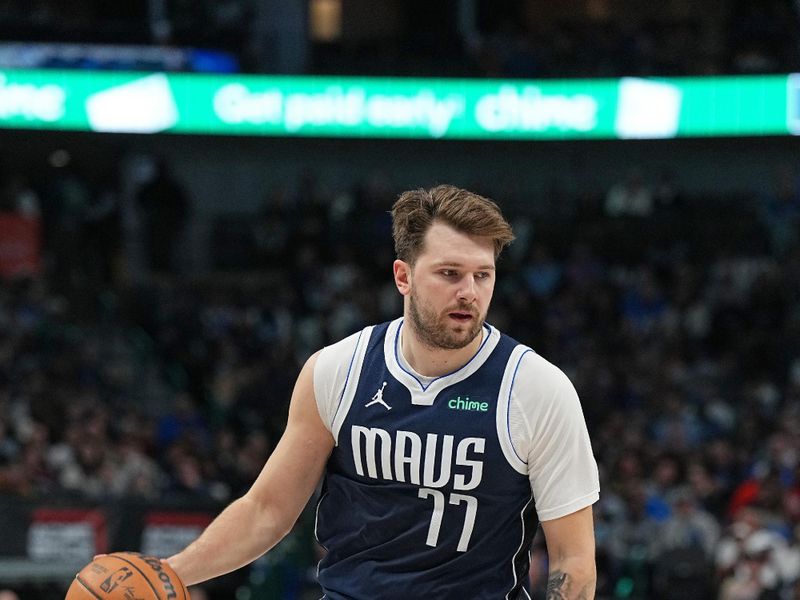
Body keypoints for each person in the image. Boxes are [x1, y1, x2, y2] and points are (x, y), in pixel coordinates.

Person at [165, 185, 600, 599]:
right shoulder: (338, 370)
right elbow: (267, 511)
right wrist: (167, 576)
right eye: (449, 273)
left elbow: (572, 558)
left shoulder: (537, 389)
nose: (469, 292)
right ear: (403, 277)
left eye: (482, 275)